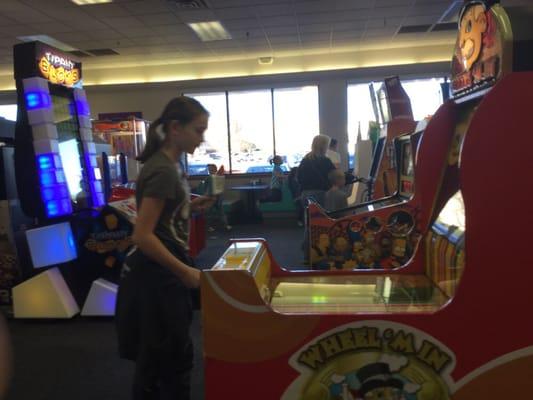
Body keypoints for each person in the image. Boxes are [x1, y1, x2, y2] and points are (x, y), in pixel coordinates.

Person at [115, 96, 215, 400]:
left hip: (161, 271)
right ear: (175, 128)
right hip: (157, 275)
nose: (202, 138)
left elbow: (162, 220)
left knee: (163, 359)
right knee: (166, 361)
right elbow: (143, 235)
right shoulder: (162, 169)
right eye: (198, 130)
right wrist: (185, 272)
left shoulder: (169, 165)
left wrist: (192, 206)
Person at [297, 134, 336, 208]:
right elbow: (334, 176)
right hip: (321, 193)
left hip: (305, 194)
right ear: (324, 146)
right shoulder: (325, 161)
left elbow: (299, 178)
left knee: (309, 218)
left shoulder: (305, 160)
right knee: (322, 218)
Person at [205, 163, 231, 231]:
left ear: (215, 169)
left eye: (211, 169)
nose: (210, 171)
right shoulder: (210, 178)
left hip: (217, 196)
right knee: (210, 212)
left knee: (220, 212)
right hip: (212, 196)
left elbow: (220, 187)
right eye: (209, 169)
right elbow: (205, 187)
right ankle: (209, 227)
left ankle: (225, 225)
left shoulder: (215, 177)